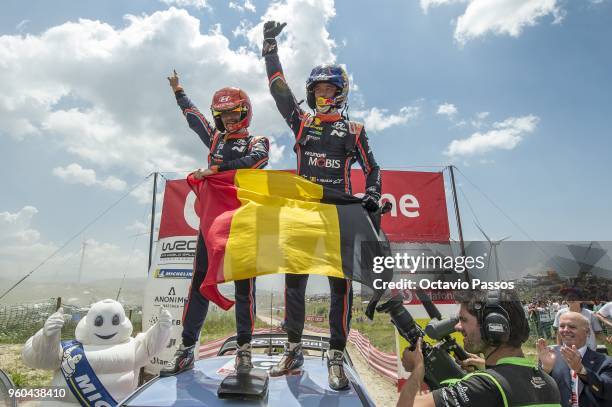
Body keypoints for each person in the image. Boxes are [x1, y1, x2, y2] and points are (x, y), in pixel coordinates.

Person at [261, 21, 381, 390]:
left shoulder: (355, 130)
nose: (323, 93)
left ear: (341, 93)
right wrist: (270, 47)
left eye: (330, 88)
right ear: (311, 94)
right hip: (301, 213)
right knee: (294, 284)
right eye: (318, 89)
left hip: (339, 215)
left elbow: (373, 169)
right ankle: (293, 347)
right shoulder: (301, 123)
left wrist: (373, 193)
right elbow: (279, 90)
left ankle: (336, 355)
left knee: (339, 290)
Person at [160, 71, 270, 376]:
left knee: (244, 287)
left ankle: (244, 352)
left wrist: (216, 169)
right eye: (222, 116)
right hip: (213, 226)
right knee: (198, 284)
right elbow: (195, 120)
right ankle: (186, 350)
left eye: (233, 114)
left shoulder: (258, 141)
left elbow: (253, 163)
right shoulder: (215, 139)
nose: (228, 121)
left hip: (246, 223)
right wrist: (179, 91)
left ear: (245, 113)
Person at [397, 290, 561, 406]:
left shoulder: (485, 386)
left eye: (464, 320)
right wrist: (487, 368)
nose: (458, 327)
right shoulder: (548, 382)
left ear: (492, 326)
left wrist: (418, 369)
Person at [537, 311, 612, 406]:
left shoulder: (606, 362)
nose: (565, 330)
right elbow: (538, 392)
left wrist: (581, 370)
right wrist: (545, 370)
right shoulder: (549, 355)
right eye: (562, 326)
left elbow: (607, 390)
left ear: (587, 331)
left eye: (572, 327)